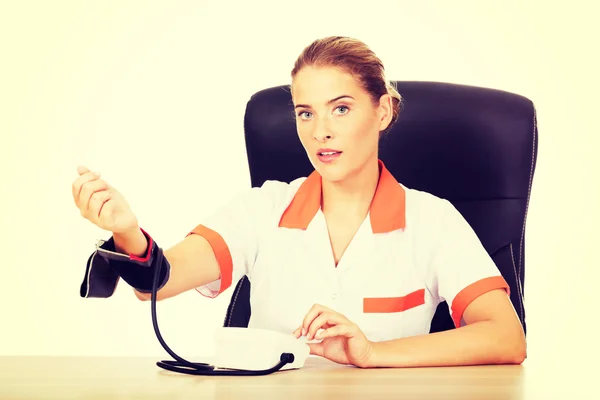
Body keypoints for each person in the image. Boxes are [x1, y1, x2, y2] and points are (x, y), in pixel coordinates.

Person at [72, 36, 526, 369]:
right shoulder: (262, 210)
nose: (319, 131)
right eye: (305, 113)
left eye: (341, 108)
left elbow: (507, 338)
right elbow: (158, 283)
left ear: (383, 112)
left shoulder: (432, 220)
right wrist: (127, 231)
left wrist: (372, 354)